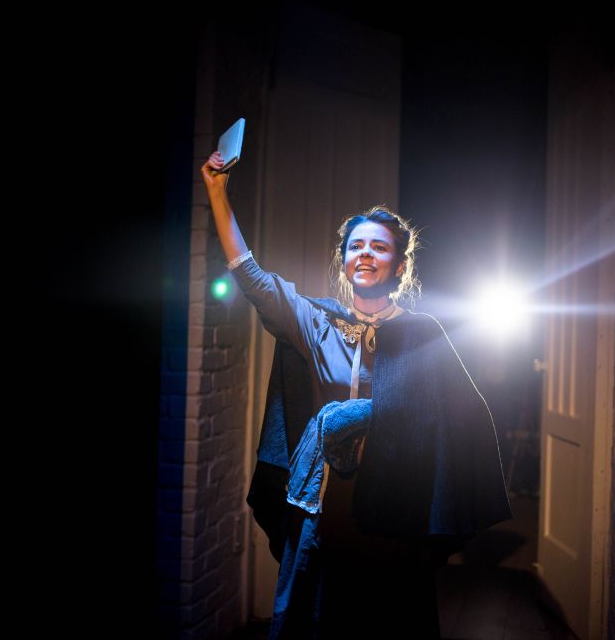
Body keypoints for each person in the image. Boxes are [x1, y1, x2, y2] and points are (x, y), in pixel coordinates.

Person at [201, 150, 512, 639]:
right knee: (325, 616)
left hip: (399, 505)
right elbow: (251, 276)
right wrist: (217, 191)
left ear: (400, 265)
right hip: (330, 499)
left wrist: (375, 415)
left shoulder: (424, 334)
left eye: (379, 247)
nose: (365, 254)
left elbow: (461, 419)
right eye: (355, 246)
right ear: (344, 261)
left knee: (390, 619)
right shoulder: (316, 321)